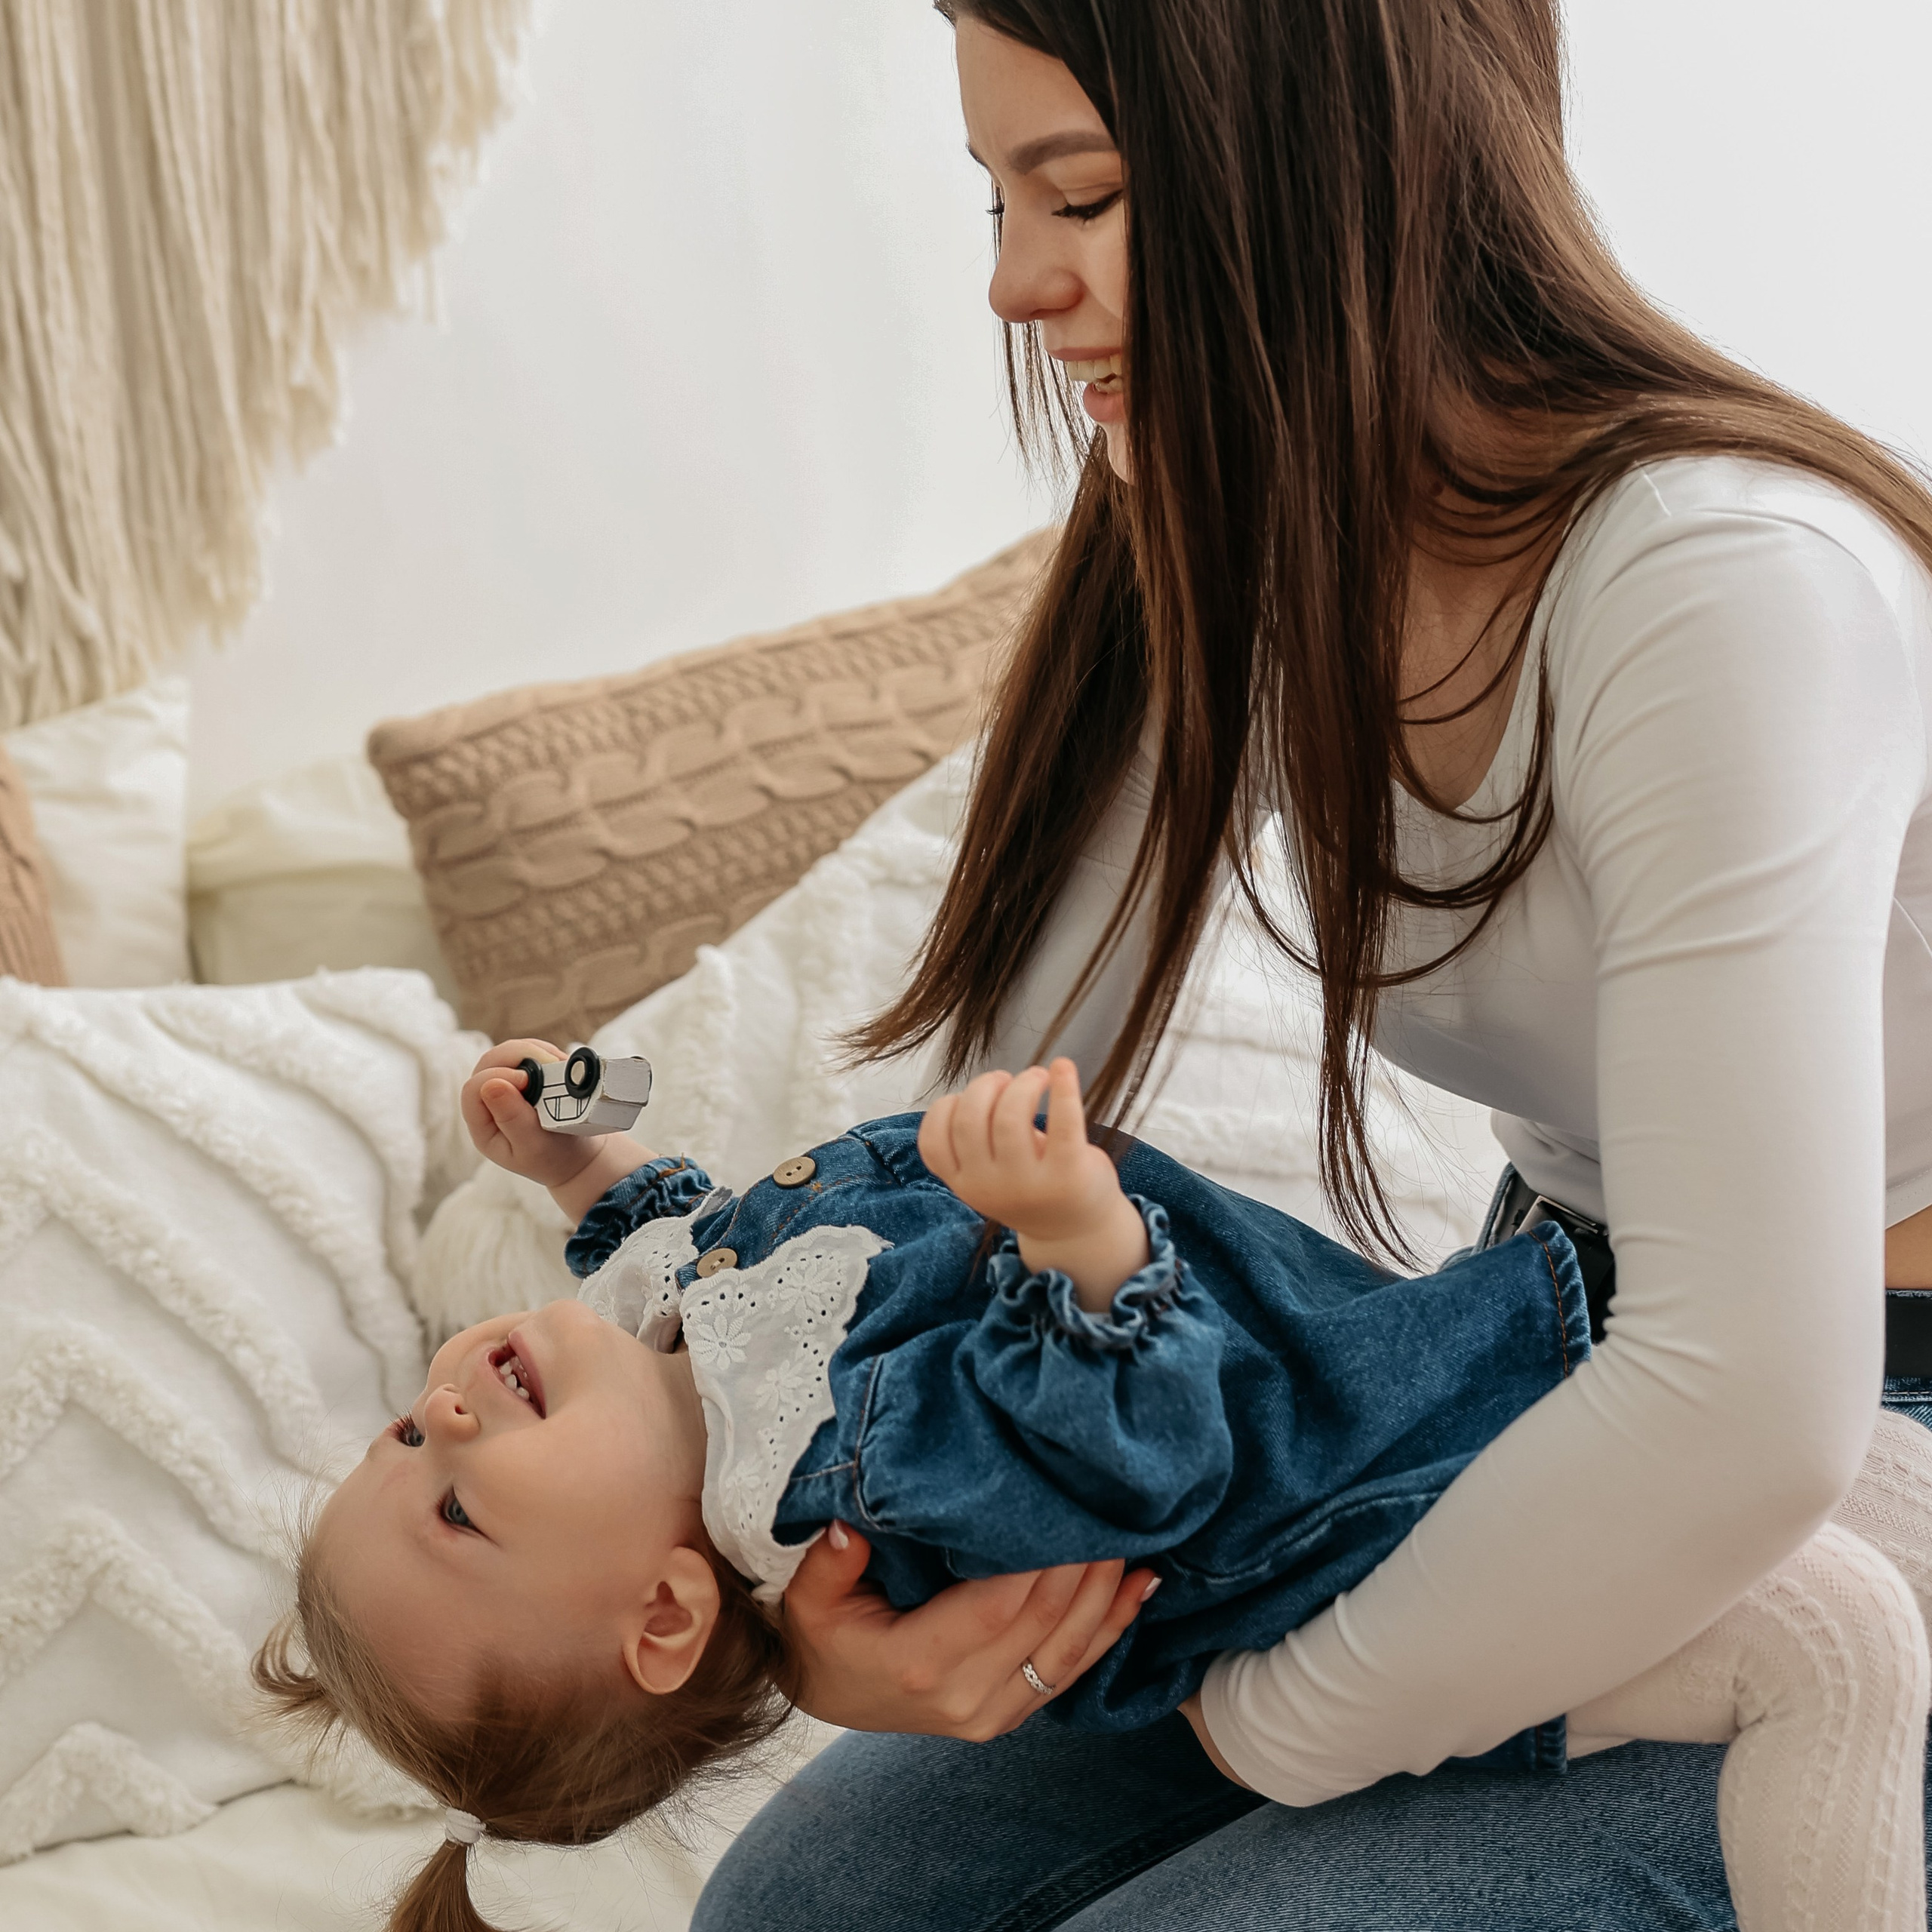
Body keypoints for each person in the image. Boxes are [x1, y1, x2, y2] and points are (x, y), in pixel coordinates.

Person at [688, 4, 1932, 1928]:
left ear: (1329, 159)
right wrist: (820, 1613)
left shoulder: (1715, 581)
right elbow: (993, 1130)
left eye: (1080, 196)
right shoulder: (1244, 538)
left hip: (1845, 1448)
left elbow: (1745, 1406)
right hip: (1543, 1360)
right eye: (996, 198)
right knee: (806, 1908)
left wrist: (1255, 1719)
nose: (1016, 284)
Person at [257, 1049, 1930, 1932]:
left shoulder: (693, 1360)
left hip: (1554, 1395)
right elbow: (1139, 1442)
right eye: (459, 1502)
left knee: (1848, 1560)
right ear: (667, 1608)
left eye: (404, 1439)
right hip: (1408, 1527)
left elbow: (670, 1221)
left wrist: (571, 1143)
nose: (443, 1410)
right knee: (1833, 1625)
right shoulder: (862, 1465)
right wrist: (1079, 1239)